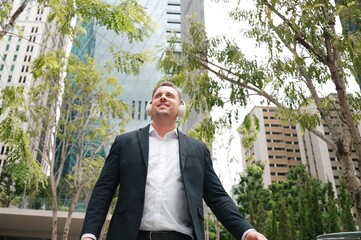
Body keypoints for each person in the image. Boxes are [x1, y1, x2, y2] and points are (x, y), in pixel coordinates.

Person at [81, 81, 267, 240]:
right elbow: (103, 191)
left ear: (180, 108)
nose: (163, 98)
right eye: (158, 95)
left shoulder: (198, 150)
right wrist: (89, 234)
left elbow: (217, 196)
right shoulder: (124, 143)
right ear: (150, 105)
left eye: (169, 95)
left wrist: (245, 231)